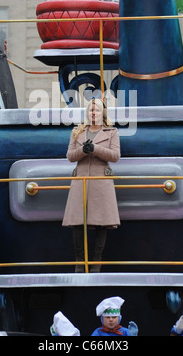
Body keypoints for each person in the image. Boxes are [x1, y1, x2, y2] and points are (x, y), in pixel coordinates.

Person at [62, 98, 120, 272]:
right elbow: (71, 156)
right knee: (78, 222)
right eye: (90, 110)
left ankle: (96, 260)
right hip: (81, 181)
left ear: (103, 112)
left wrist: (94, 149)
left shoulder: (111, 132)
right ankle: (80, 260)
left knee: (102, 222)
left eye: (96, 110)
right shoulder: (77, 131)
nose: (93, 113)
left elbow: (115, 156)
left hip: (101, 181)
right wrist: (83, 150)